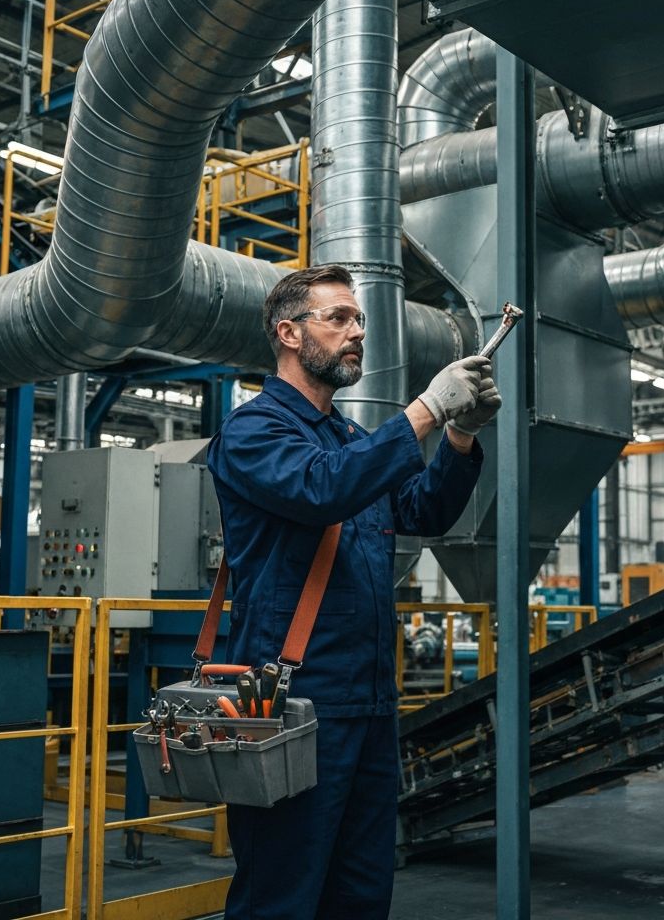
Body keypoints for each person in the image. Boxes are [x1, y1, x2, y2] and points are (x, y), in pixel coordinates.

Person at [207, 264, 500, 919]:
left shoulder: (350, 439)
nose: (356, 332)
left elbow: (423, 511)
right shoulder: (255, 433)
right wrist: (426, 409)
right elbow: (324, 489)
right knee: (281, 892)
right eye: (337, 318)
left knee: (362, 891)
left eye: (359, 320)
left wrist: (460, 433)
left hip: (367, 698)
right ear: (288, 333)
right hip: (287, 698)